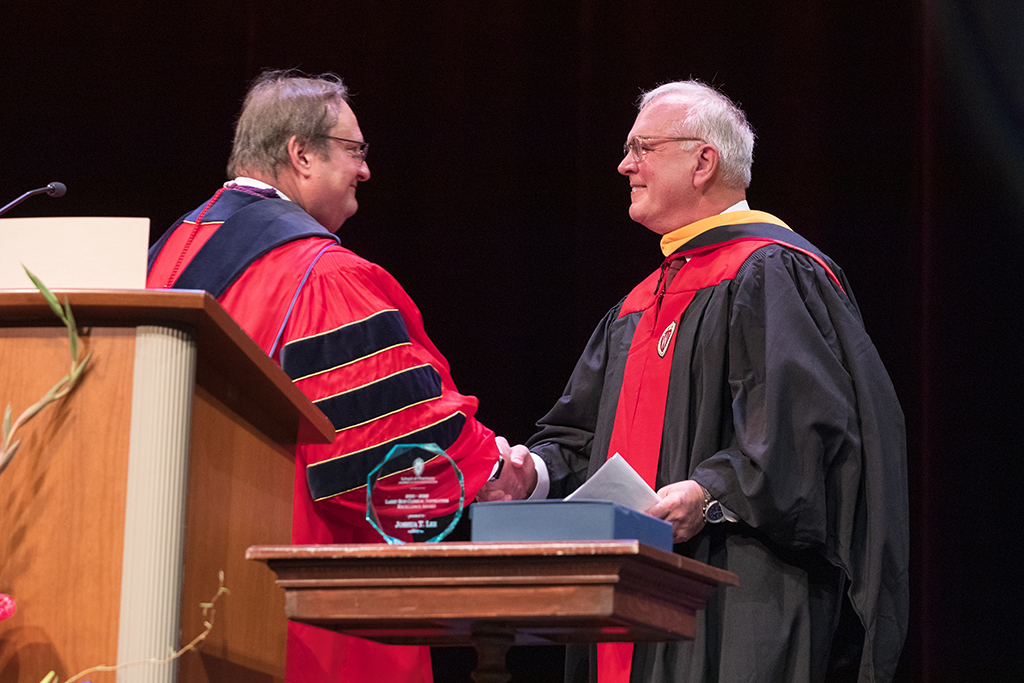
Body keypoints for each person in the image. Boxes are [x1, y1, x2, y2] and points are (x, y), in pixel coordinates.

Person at [481, 81, 909, 682]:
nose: (625, 164)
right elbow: (581, 438)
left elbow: (802, 432)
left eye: (643, 147)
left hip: (738, 598)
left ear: (703, 160)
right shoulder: (641, 302)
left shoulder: (771, 271)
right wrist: (535, 475)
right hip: (628, 602)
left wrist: (710, 496)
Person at [147, 69, 522, 683]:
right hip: (311, 605)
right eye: (355, 151)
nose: (366, 171)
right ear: (300, 154)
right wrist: (493, 472)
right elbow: (385, 462)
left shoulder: (171, 253)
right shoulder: (321, 275)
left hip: (184, 589)